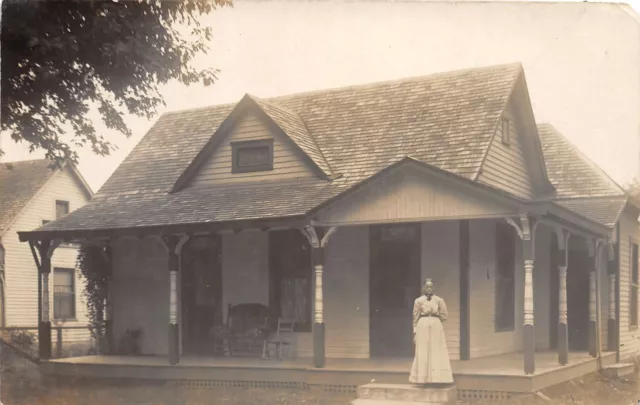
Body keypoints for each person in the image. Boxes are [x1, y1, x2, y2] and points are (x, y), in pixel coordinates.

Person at [409, 278, 454, 385]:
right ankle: (422, 379)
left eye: (431, 287)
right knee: (423, 350)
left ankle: (437, 379)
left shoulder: (439, 300)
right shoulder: (418, 301)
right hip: (422, 326)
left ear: (434, 288)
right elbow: (415, 318)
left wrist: (435, 321)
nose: (429, 289)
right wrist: (415, 332)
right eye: (427, 286)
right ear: (423, 288)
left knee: (436, 350)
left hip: (435, 325)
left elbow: (444, 315)